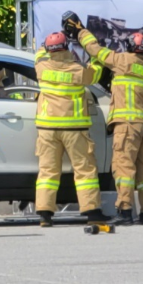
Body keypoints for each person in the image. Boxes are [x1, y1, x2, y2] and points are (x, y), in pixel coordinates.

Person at [67, 13, 143, 225]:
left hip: (127, 125)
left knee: (124, 168)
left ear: (131, 47)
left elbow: (95, 50)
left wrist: (80, 31)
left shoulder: (122, 60)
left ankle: (125, 211)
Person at [33, 30, 113, 228]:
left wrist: (46, 45)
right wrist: (86, 41)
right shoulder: (78, 70)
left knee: (48, 171)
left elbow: (39, 53)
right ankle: (92, 213)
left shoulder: (40, 66)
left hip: (47, 128)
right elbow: (97, 71)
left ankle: (44, 214)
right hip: (74, 128)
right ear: (66, 47)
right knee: (85, 171)